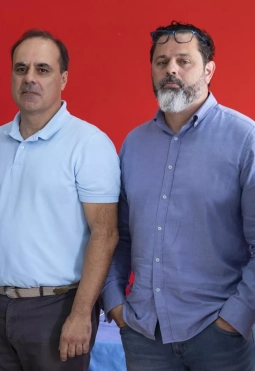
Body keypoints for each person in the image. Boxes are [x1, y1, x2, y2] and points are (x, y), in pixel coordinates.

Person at [101, 21, 255, 371]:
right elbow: (117, 236)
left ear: (209, 70)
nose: (171, 68)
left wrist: (234, 320)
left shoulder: (246, 140)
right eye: (161, 61)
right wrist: (115, 305)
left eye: (184, 60)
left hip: (219, 338)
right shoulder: (133, 145)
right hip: (144, 334)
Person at [0, 29, 120, 371]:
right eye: (21, 69)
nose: (30, 79)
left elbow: (106, 233)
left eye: (43, 69)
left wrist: (82, 313)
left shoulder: (89, 143)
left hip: (58, 308)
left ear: (63, 78)